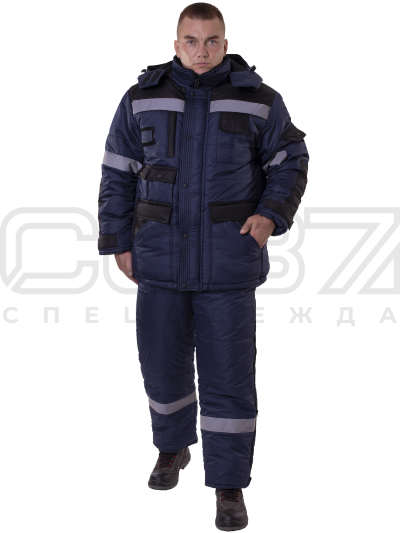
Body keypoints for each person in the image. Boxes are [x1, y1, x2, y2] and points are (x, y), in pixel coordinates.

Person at [97, 2, 309, 530]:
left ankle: (229, 484)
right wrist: (117, 240)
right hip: (158, 258)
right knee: (162, 366)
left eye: (211, 40)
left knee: (229, 376)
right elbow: (117, 172)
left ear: (225, 43)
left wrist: (269, 215)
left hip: (228, 263)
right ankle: (172, 449)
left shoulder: (259, 99)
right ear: (176, 45)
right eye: (191, 41)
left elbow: (291, 161)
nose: (201, 50)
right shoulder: (141, 98)